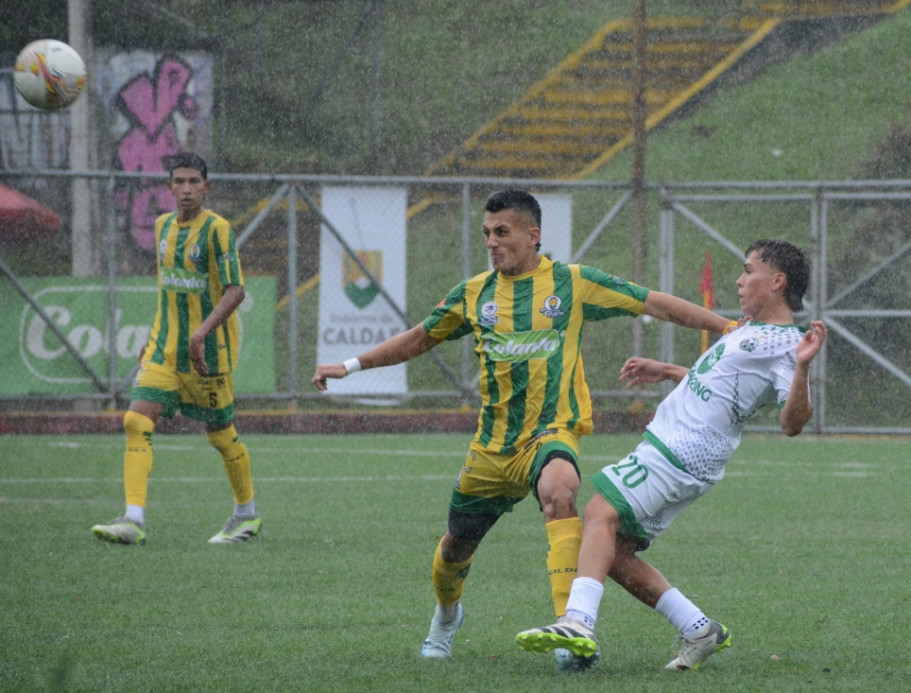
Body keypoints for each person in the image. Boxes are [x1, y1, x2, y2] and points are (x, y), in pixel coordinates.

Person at [312, 189, 734, 669]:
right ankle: (447, 617)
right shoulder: (473, 294)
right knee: (454, 548)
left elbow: (652, 302)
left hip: (549, 435)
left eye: (502, 232)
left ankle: (569, 635)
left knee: (562, 490)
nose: (492, 242)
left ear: (533, 236)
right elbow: (419, 338)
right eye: (487, 233)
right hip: (491, 449)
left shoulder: (571, 283)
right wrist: (351, 364)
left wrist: (727, 328)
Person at [515, 239, 828, 672]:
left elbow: (792, 422)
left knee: (598, 512)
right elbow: (721, 387)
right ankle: (699, 628)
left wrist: (805, 367)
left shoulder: (787, 346)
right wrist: (667, 370)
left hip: (680, 452)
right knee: (614, 551)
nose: (738, 280)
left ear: (777, 281)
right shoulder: (748, 330)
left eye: (748, 270)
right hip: (684, 453)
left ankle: (578, 622)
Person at [91, 152, 261, 546]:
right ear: (169, 187)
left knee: (221, 436)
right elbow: (169, 290)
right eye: (179, 182)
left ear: (206, 186)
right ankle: (133, 520)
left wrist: (200, 334)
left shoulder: (217, 230)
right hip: (164, 350)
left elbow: (236, 290)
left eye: (194, 182)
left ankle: (246, 514)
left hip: (209, 353)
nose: (186, 189)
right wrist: (152, 336)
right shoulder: (162, 226)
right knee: (135, 420)